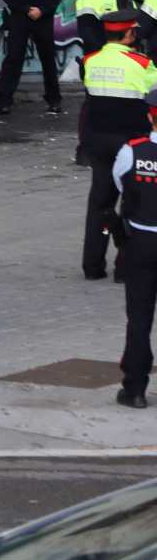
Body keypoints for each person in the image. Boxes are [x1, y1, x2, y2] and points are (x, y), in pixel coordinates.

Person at [81, 13, 157, 282]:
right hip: (131, 143)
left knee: (99, 203)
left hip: (98, 142)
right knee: (132, 204)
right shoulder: (142, 63)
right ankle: (124, 267)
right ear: (129, 34)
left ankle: (92, 267)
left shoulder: (91, 61)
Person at [109, 86, 157, 409]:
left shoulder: (133, 151)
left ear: (151, 116)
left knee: (139, 318)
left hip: (141, 241)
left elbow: (118, 183)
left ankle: (135, 389)